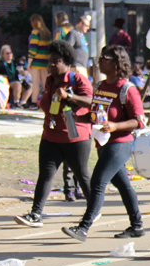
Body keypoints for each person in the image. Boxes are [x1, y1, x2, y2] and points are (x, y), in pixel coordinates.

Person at [62, 45, 145, 242]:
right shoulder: (99, 87)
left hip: (120, 144)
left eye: (105, 58)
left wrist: (115, 126)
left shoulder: (127, 89)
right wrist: (76, 119)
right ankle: (137, 225)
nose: (100, 61)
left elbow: (140, 121)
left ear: (117, 63)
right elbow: (95, 116)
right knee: (124, 185)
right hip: (103, 143)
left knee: (98, 182)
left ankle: (83, 228)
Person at [13, 41, 94, 229]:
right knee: (45, 175)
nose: (51, 65)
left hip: (75, 137)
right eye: (50, 61)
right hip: (51, 136)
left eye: (56, 61)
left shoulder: (78, 79)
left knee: (82, 175)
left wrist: (69, 97)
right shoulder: (49, 79)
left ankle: (93, 208)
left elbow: (91, 102)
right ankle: (36, 213)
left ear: (66, 62)